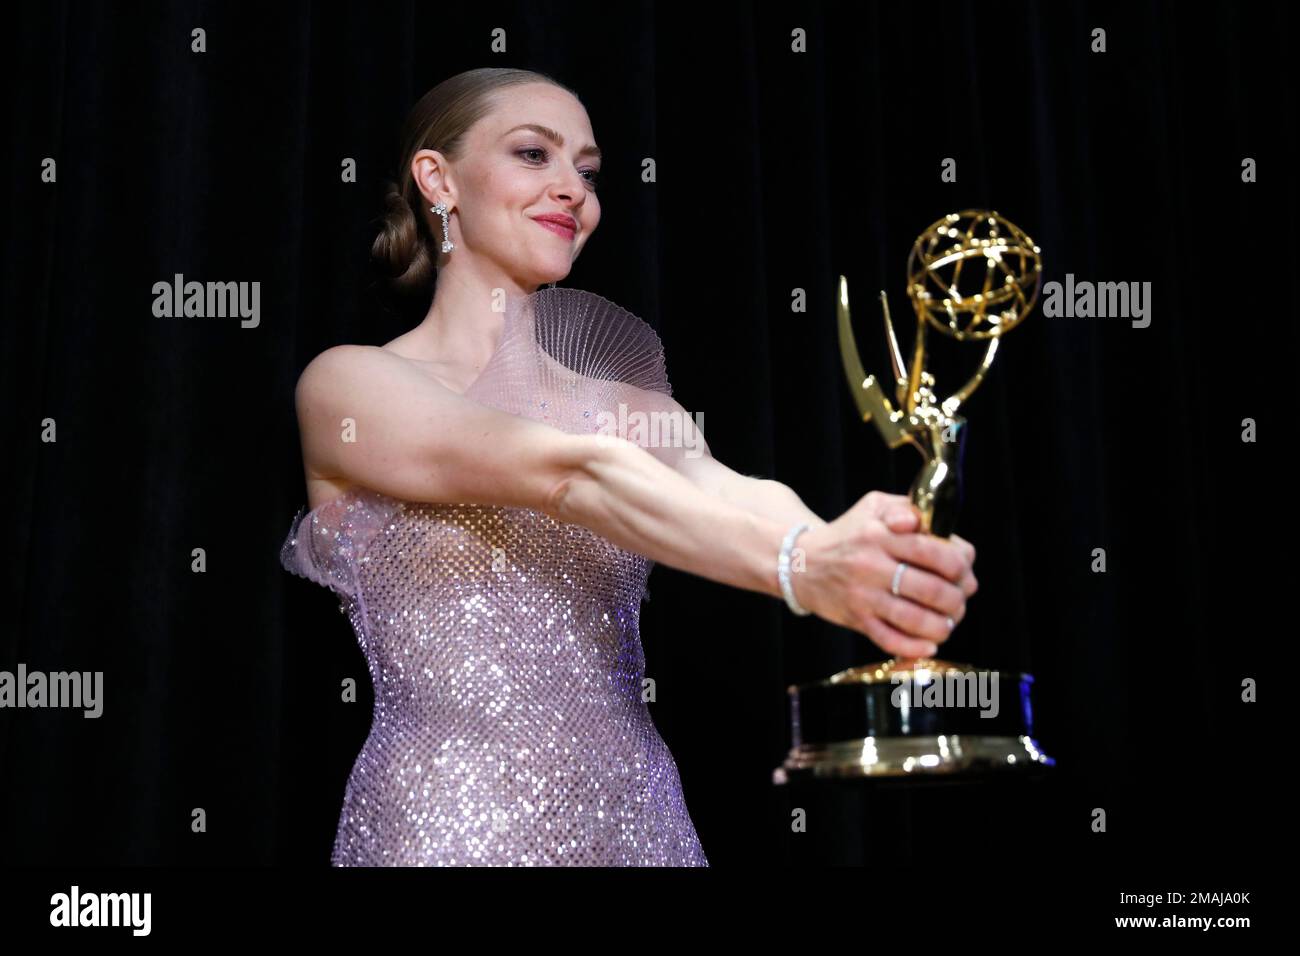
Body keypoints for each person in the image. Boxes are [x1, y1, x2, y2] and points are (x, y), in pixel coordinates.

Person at [280, 67, 978, 867]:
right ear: (438, 180)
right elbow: (569, 476)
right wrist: (807, 565)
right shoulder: (350, 385)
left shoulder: (627, 402)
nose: (571, 189)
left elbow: (740, 495)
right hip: (443, 825)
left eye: (586, 171)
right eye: (533, 154)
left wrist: (873, 555)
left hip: (639, 824)